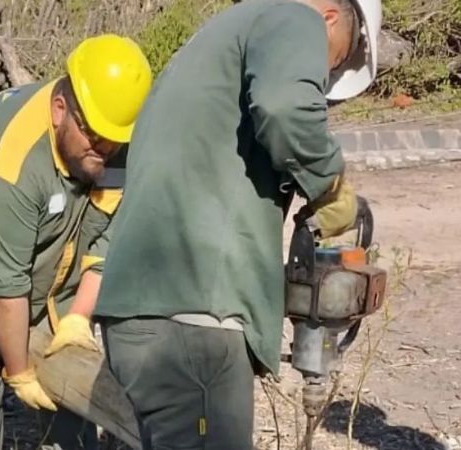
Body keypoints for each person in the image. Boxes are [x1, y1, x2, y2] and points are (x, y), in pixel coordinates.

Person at [92, 0, 382, 448]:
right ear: (330, 16)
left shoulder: (211, 49)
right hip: (195, 325)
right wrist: (330, 184)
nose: (324, 79)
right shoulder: (293, 16)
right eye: (336, 60)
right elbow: (285, 106)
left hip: (141, 317)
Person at [0, 34, 152, 450]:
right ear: (61, 110)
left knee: (60, 345)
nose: (107, 152)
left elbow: (105, 235)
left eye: (116, 141)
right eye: (96, 139)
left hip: (34, 225)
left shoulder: (112, 142)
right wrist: (19, 372)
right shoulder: (7, 169)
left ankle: (73, 440)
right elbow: (7, 292)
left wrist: (77, 317)